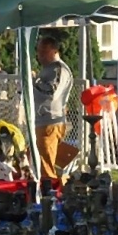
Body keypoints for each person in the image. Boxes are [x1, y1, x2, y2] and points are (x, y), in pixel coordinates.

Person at [32, 33, 74, 181]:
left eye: (44, 52)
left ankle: (49, 195)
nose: (40, 55)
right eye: (38, 51)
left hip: (50, 120)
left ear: (55, 51)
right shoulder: (49, 69)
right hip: (43, 120)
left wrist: (32, 82)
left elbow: (49, 92)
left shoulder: (58, 69)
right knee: (43, 161)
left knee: (46, 165)